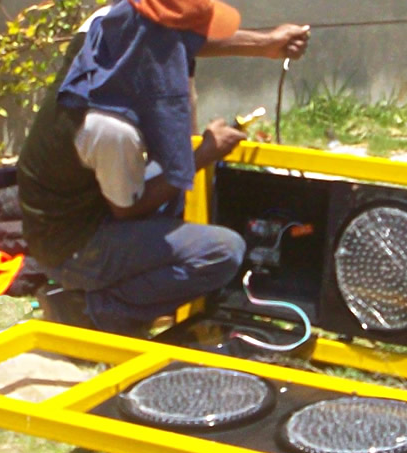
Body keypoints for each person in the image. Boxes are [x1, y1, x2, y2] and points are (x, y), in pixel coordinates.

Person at [17, 0, 309, 336]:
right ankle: (94, 310)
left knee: (173, 184)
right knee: (223, 251)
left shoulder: (110, 29)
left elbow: (176, 38)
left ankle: (124, 286)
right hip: (72, 246)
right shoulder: (110, 128)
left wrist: (265, 43)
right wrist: (204, 154)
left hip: (76, 207)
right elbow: (128, 209)